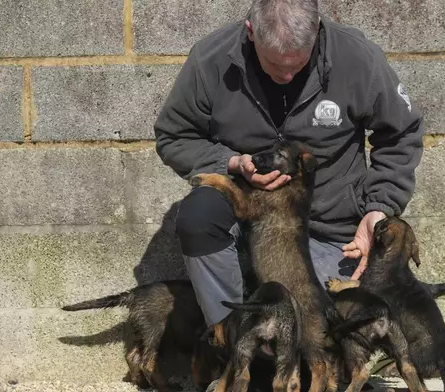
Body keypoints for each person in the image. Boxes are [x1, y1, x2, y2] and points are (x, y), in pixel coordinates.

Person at [153, 0, 424, 328]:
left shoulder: (358, 58)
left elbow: (401, 134)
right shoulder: (210, 60)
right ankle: (229, 343)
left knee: (325, 328)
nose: (287, 76)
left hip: (330, 229)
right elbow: (174, 136)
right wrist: (230, 162)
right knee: (197, 215)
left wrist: (378, 207)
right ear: (250, 31)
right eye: (275, 64)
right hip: (249, 215)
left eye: (298, 65)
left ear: (318, 28)